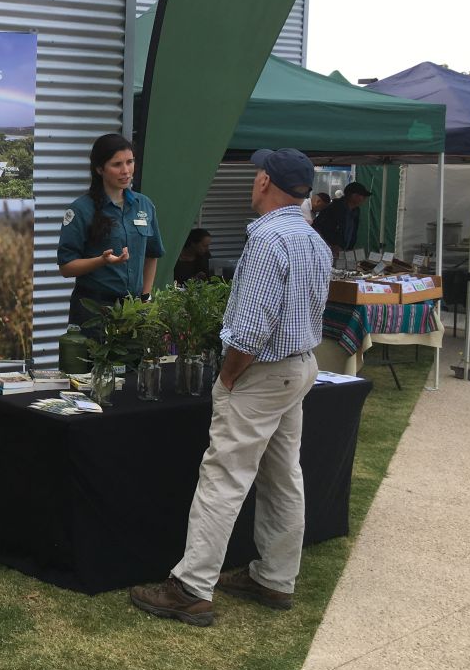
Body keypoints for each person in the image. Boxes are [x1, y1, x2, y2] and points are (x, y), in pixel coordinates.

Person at [129, 148, 332, 627]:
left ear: (265, 181)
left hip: (262, 371)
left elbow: (253, 326)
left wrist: (229, 375)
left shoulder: (267, 239)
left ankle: (191, 588)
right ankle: (274, 578)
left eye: (257, 173)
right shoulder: (313, 240)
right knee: (284, 476)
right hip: (299, 366)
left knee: (224, 476)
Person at [57, 134, 165, 332]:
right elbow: (66, 267)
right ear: (100, 169)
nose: (126, 171)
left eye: (130, 162)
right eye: (117, 164)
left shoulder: (144, 205)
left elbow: (152, 254)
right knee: (92, 363)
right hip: (94, 310)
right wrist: (102, 261)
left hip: (133, 309)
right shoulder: (81, 209)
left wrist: (145, 297)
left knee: (133, 363)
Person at [313, 181, 371, 260]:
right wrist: (331, 245)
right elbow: (318, 228)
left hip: (344, 252)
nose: (364, 199)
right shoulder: (334, 208)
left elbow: (352, 231)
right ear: (353, 196)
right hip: (328, 252)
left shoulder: (356, 210)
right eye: (362, 196)